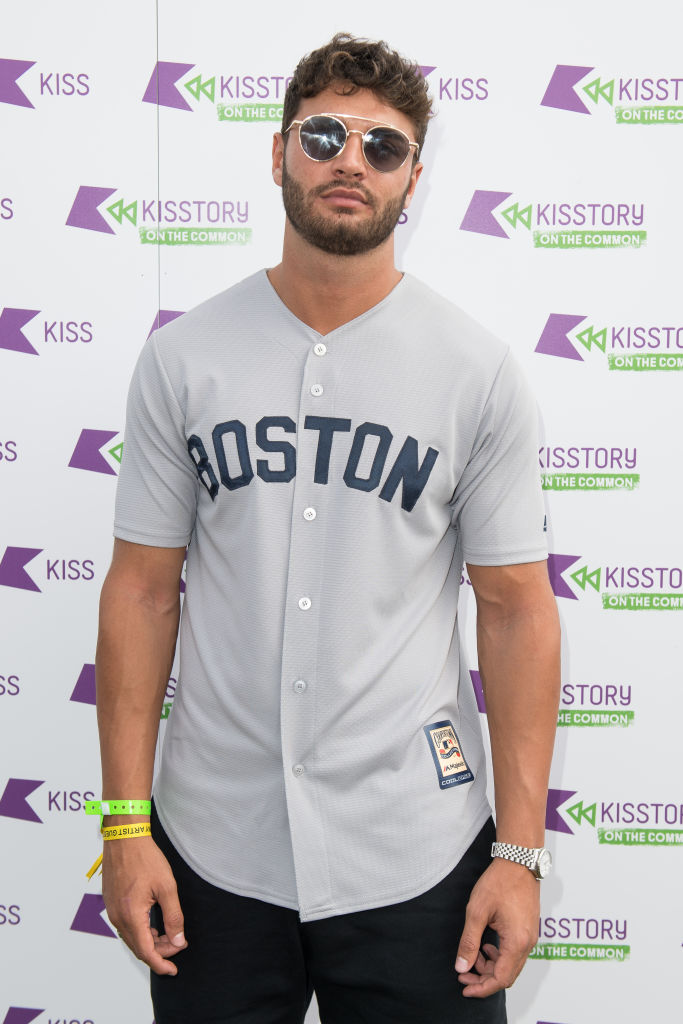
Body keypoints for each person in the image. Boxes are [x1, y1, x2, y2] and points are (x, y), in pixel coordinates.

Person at [96, 33, 560, 1024]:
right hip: (212, 850)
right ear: (277, 154)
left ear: (412, 179)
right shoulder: (183, 361)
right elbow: (140, 589)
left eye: (381, 147)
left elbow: (517, 609)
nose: (350, 160)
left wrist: (516, 856)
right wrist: (125, 824)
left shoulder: (473, 372)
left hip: (413, 849)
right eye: (322, 134)